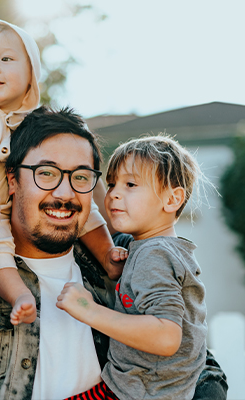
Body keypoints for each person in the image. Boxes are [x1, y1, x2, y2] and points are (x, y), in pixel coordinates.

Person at [0, 107, 228, 399]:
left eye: (80, 177)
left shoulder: (118, 263)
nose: (64, 193)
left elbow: (196, 362)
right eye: (46, 173)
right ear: (12, 180)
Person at [0, 19, 125, 326]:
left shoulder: (36, 123)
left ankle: (108, 256)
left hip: (8, 206)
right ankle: (19, 295)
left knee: (86, 208)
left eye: (5, 59)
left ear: (32, 73)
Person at [58, 136, 211, 399]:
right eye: (111, 183)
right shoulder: (159, 249)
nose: (114, 193)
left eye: (130, 184)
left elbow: (166, 337)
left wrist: (88, 310)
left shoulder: (153, 255)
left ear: (172, 199)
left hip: (137, 391)